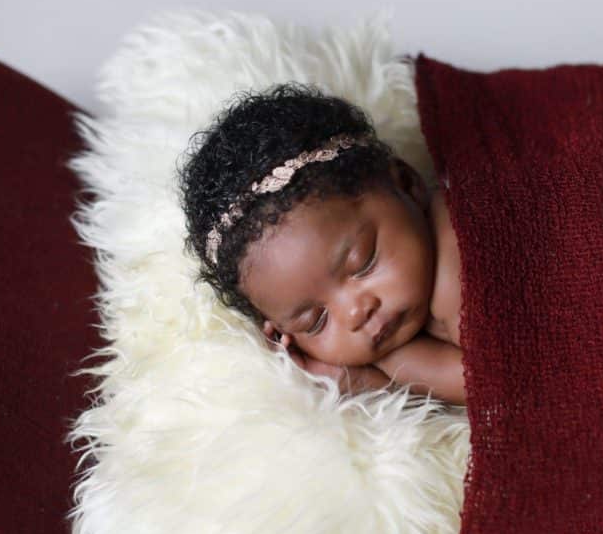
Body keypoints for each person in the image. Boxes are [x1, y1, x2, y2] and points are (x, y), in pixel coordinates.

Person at [178, 82, 466, 405]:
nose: (356, 312)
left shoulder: (456, 248)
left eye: (364, 262)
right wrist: (358, 380)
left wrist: (385, 370)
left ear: (408, 186)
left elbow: (497, 383)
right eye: (315, 321)